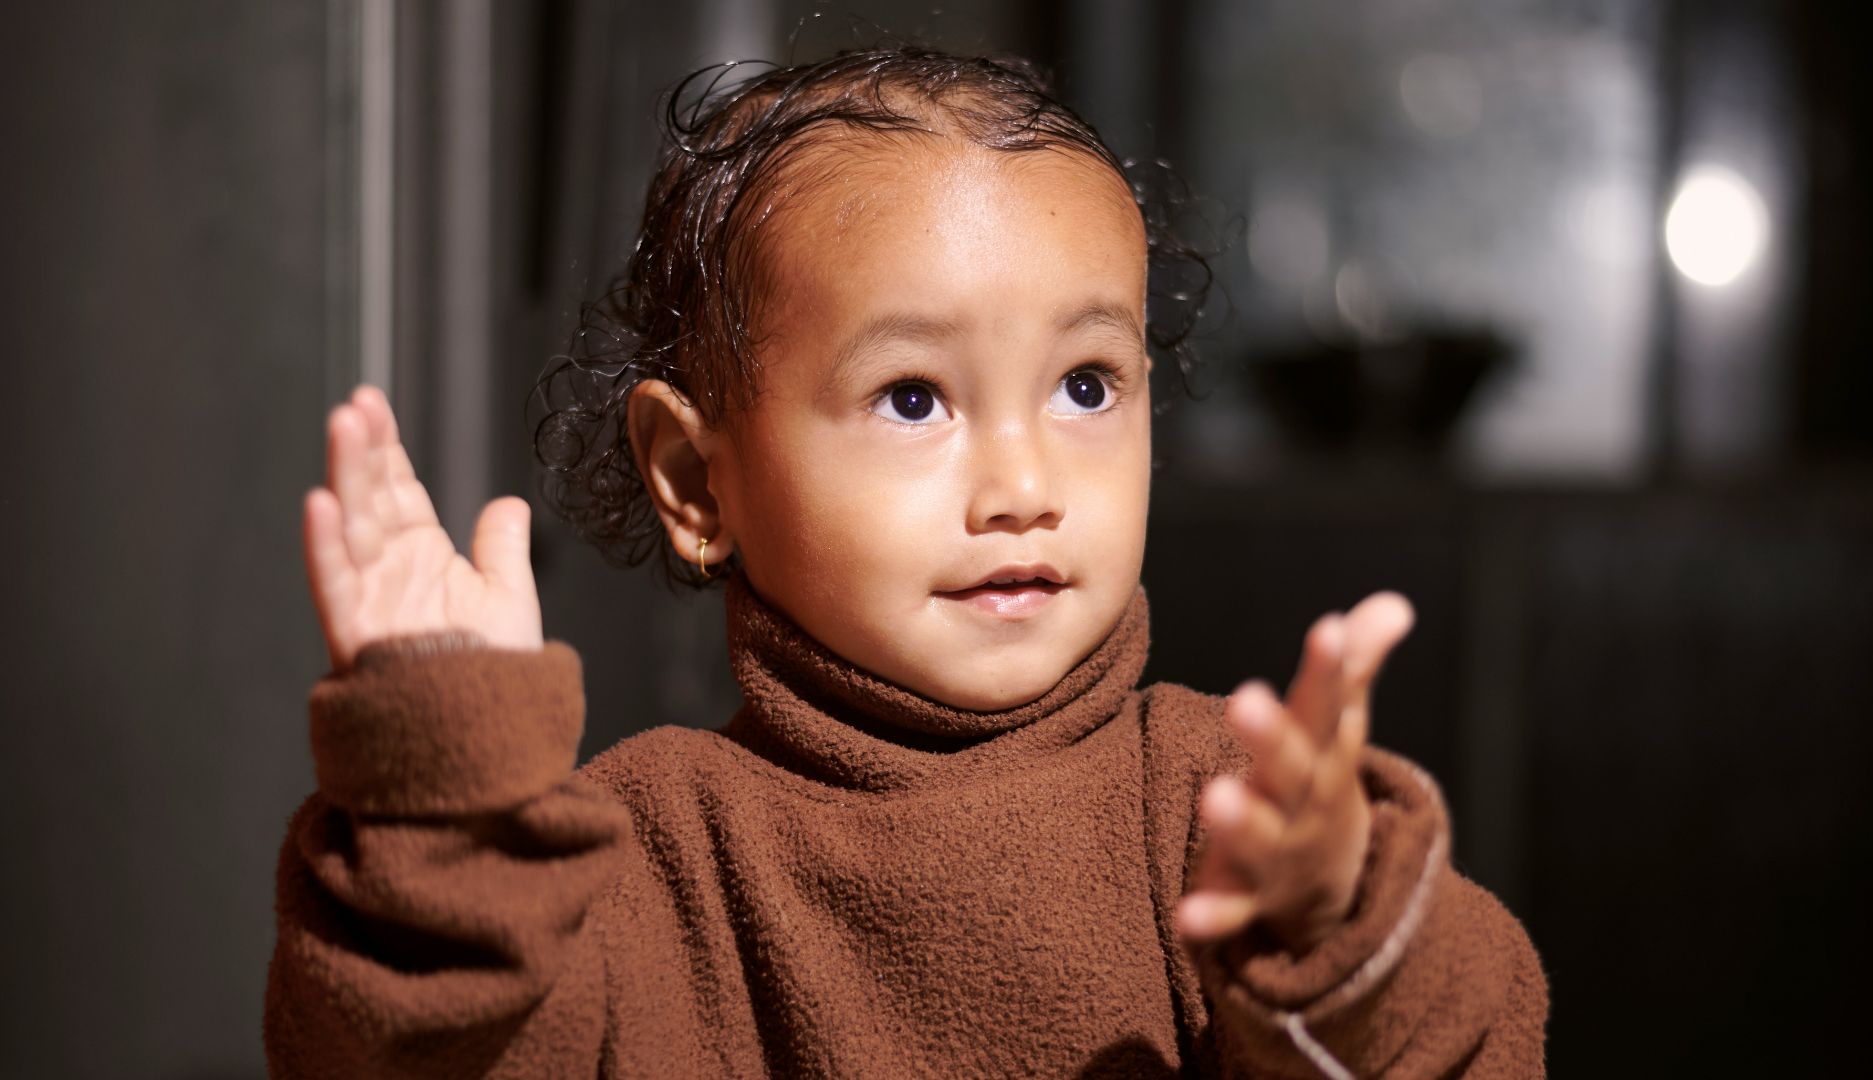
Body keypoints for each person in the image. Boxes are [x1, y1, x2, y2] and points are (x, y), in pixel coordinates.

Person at [265, 44, 1547, 1078]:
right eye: (915, 400)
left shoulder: (1220, 814)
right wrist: (443, 794)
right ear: (698, 481)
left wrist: (1333, 932)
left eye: (1087, 387)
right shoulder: (635, 859)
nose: (1025, 488)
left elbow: (1483, 1043)